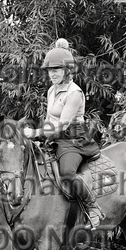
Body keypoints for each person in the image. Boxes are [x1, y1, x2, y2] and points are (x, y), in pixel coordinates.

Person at [23, 38, 104, 229]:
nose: (52, 74)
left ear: (67, 70)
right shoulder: (52, 90)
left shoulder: (74, 93)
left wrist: (36, 133)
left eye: (57, 69)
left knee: (67, 173)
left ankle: (93, 208)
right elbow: (51, 120)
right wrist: (42, 139)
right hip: (55, 138)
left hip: (73, 139)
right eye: (50, 70)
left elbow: (63, 123)